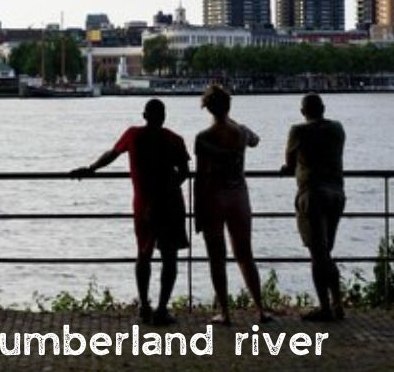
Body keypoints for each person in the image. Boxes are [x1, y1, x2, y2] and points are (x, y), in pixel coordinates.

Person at [71, 99, 190, 325]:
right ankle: (162, 309)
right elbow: (184, 172)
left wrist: (91, 168)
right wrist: (166, 189)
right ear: (164, 116)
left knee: (143, 254)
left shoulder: (133, 135)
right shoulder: (174, 140)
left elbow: (112, 154)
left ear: (145, 115)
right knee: (169, 257)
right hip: (170, 204)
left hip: (143, 205)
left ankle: (144, 306)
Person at [194, 84, 271, 325]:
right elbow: (256, 141)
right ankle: (260, 309)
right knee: (245, 254)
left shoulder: (203, 138)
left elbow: (200, 176)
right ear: (229, 106)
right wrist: (235, 122)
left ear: (208, 109)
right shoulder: (242, 132)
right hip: (239, 196)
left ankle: (225, 313)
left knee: (216, 257)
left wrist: (197, 212)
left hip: (213, 197)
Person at [281, 92, 346, 322]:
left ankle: (326, 307)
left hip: (313, 194)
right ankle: (338, 303)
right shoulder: (337, 129)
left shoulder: (298, 131)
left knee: (318, 254)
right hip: (337, 193)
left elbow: (289, 165)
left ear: (303, 112)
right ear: (323, 108)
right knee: (326, 251)